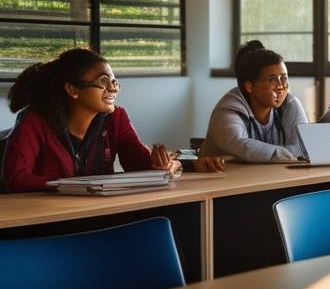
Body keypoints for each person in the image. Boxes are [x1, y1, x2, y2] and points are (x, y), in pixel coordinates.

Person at [2, 48, 223, 193]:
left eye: (115, 82)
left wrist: (161, 165)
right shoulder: (35, 120)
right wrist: (72, 185)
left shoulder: (116, 118)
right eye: (103, 81)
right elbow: (15, 178)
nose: (113, 89)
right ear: (72, 89)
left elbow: (137, 162)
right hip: (44, 219)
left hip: (100, 213)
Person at [200, 40, 308, 162]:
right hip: (225, 179)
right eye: (272, 80)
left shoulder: (289, 104)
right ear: (250, 86)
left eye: (284, 78)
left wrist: (289, 154)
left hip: (269, 176)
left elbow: (304, 147)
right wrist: (289, 154)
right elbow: (242, 146)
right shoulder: (227, 111)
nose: (280, 86)